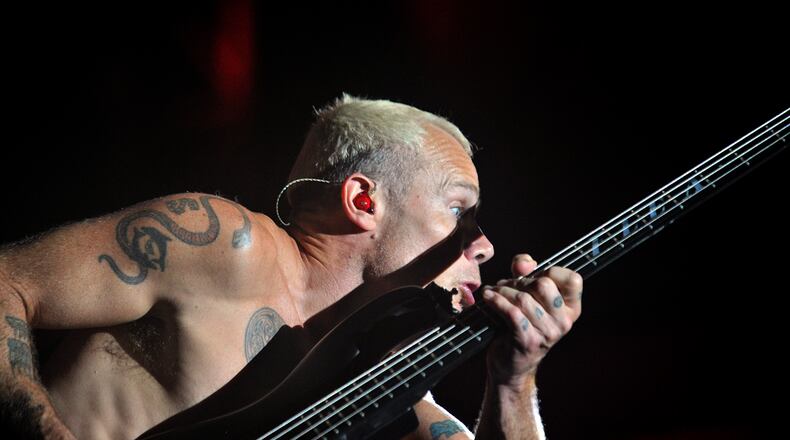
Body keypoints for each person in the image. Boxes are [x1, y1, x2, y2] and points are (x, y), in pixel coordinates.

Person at [0, 95, 583, 439]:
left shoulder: (384, 393)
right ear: (364, 201)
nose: (484, 246)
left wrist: (514, 381)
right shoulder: (224, 244)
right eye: (457, 209)